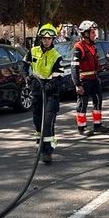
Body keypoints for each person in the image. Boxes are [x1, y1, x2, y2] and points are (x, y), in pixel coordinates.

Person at [23, 23, 64, 163]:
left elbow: (58, 76)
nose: (46, 40)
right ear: (41, 38)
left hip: (51, 93)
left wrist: (49, 85)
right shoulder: (33, 51)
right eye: (44, 38)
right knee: (37, 121)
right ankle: (40, 143)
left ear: (53, 39)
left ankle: (48, 150)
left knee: (47, 123)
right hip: (36, 91)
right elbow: (24, 64)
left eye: (49, 38)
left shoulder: (57, 56)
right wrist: (26, 76)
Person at [71, 20, 109, 136]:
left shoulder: (92, 46)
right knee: (82, 104)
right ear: (85, 34)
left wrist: (99, 73)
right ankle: (82, 128)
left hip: (94, 79)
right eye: (93, 32)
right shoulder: (78, 47)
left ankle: (97, 125)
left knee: (98, 101)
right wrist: (77, 84)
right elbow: (74, 67)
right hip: (84, 80)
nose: (95, 35)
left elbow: (95, 64)